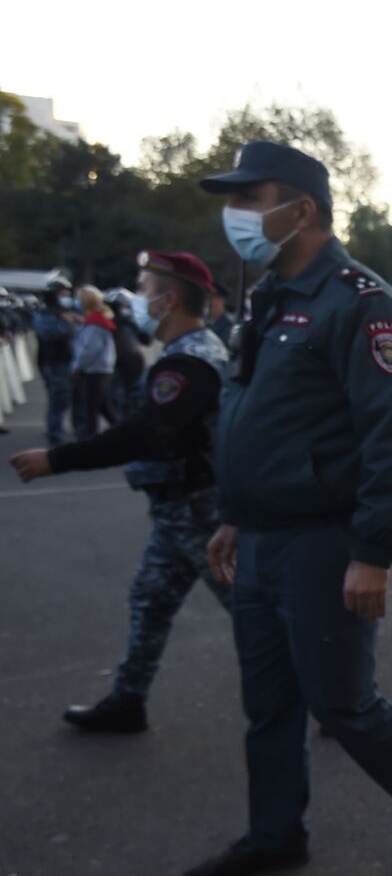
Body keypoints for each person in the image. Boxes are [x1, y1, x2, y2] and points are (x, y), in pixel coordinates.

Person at [188, 141, 392, 876]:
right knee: (269, 703)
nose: (236, 215)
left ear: (301, 210)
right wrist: (232, 513)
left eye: (250, 199)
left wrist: (374, 552)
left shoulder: (360, 302)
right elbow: (257, 417)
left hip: (322, 540)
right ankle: (275, 832)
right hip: (260, 536)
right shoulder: (272, 297)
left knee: (341, 703)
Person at [9, 251, 231, 731]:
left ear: (169, 300)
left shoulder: (191, 362)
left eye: (144, 288)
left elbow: (149, 434)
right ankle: (128, 700)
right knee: (150, 601)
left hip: (200, 515)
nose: (135, 298)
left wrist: (57, 459)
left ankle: (336, 699)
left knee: (258, 615)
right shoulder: (186, 353)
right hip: (177, 513)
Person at [33, 279, 78, 446]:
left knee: (66, 400)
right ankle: (55, 436)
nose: (66, 296)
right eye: (62, 293)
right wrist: (67, 323)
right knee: (58, 401)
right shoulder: (45, 314)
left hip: (67, 361)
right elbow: (48, 333)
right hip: (55, 363)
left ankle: (61, 433)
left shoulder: (64, 312)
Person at [71, 284, 119, 440]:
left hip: (95, 369)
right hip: (101, 368)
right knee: (104, 407)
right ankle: (122, 435)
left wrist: (77, 367)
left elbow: (90, 349)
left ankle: (89, 439)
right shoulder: (99, 319)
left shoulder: (95, 322)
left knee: (90, 409)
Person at [107, 289, 151, 421]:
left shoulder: (130, 322)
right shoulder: (110, 323)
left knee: (131, 398)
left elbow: (147, 339)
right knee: (119, 398)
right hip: (118, 364)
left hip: (132, 364)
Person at [208, 281, 235, 345]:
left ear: (222, 300)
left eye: (213, 297)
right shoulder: (205, 322)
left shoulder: (228, 325)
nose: (210, 301)